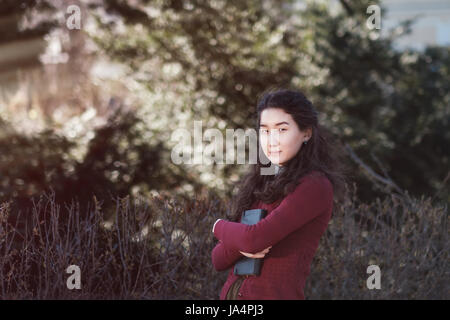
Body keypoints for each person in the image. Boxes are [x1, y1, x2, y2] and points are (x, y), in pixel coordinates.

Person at [211, 88, 348, 300]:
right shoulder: (260, 182)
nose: (271, 140)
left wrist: (217, 226)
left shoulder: (314, 186)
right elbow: (218, 259)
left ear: (306, 133)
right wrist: (243, 244)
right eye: (265, 130)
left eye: (282, 130)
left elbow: (253, 239)